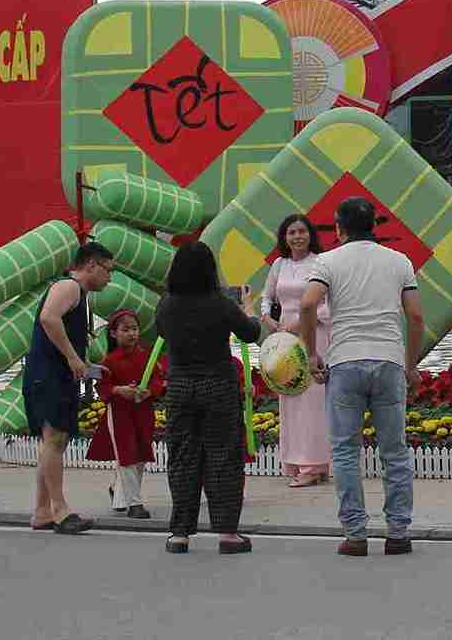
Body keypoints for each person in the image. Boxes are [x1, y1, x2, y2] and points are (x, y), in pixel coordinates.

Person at [300, 197, 423, 557]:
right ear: (374, 225)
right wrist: (410, 365)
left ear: (338, 229)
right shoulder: (399, 261)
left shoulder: (328, 261)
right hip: (387, 362)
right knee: (394, 451)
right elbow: (415, 317)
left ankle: (355, 535)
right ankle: (398, 533)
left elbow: (308, 303)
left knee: (345, 450)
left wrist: (310, 354)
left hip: (345, 362)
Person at [155, 241, 278, 554]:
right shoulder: (220, 303)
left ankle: (180, 534)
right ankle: (227, 532)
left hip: (181, 386)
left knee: (183, 456)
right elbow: (250, 333)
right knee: (223, 456)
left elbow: (161, 333)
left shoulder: (166, 305)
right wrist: (248, 308)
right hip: (217, 385)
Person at [23, 240, 116, 535]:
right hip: (49, 375)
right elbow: (48, 318)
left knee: (54, 442)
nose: (109, 277)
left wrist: (86, 366)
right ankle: (60, 510)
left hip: (53, 373)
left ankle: (41, 512)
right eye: (107, 270)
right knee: (55, 439)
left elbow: (61, 333)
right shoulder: (69, 287)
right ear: (91, 265)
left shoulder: (77, 294)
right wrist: (74, 359)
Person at [261, 214, 332, 487]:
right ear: (284, 237)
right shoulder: (279, 264)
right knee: (291, 398)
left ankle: (315, 465)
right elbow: (266, 297)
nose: (297, 236)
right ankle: (297, 461)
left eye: (302, 231)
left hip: (314, 336)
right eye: (291, 232)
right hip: (285, 341)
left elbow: (329, 305)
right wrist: (268, 319)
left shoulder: (321, 264)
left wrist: (301, 322)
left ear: (310, 234)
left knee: (313, 401)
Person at [85, 309, 166, 517]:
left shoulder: (147, 355)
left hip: (143, 412)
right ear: (113, 333)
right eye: (125, 329)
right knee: (127, 455)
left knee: (140, 456)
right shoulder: (109, 361)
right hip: (120, 414)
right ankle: (135, 504)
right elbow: (103, 388)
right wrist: (120, 390)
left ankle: (119, 491)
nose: (131, 333)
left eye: (134, 329)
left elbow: (158, 381)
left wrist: (149, 391)